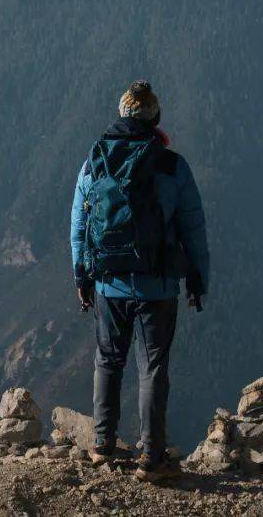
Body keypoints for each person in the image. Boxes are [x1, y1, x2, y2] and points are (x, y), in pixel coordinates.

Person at [69, 79, 210, 482]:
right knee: (152, 367)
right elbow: (193, 228)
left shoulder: (96, 158)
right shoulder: (171, 166)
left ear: (121, 113)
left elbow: (80, 222)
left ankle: (101, 446)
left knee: (108, 360)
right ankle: (151, 458)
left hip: (108, 282)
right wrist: (198, 279)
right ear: (155, 117)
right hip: (158, 283)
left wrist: (82, 273)